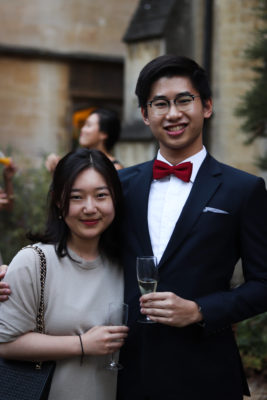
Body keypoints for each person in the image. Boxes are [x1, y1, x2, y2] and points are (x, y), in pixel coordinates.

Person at [115, 55, 267, 400]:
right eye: (160, 104)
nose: (173, 113)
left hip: (206, 370)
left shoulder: (243, 189)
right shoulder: (120, 185)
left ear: (207, 106)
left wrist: (200, 310)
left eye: (184, 100)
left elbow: (263, 283)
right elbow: (84, 247)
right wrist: (22, 272)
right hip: (128, 369)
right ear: (145, 115)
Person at [0, 148, 128, 400]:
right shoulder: (34, 262)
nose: (90, 208)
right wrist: (82, 345)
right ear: (58, 201)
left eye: (101, 195)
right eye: (76, 197)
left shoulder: (124, 263)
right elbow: (5, 343)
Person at [45, 108, 123, 173]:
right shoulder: (77, 162)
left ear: (104, 134)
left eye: (88, 125)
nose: (82, 129)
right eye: (84, 125)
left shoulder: (115, 169)